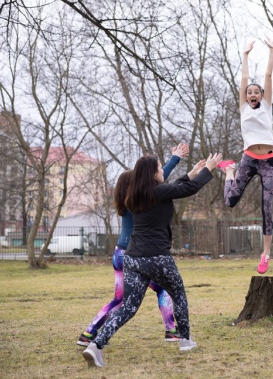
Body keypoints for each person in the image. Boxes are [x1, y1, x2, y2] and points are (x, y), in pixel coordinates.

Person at [83, 152, 223, 367]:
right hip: (157, 256)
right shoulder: (158, 192)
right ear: (152, 173)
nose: (161, 171)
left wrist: (193, 172)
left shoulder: (135, 195)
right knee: (178, 294)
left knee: (128, 307)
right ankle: (185, 340)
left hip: (132, 258)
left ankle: (96, 345)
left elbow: (172, 186)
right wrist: (208, 168)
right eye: (159, 168)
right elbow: (188, 189)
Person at [77, 144, 190, 347]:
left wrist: (175, 158)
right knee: (165, 290)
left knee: (120, 300)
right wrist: (175, 159)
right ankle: (172, 330)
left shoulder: (127, 201)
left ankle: (90, 332)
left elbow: (160, 176)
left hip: (119, 254)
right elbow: (160, 178)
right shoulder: (141, 200)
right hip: (137, 255)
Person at [218, 38, 273, 274]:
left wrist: (272, 51)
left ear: (262, 95)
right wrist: (244, 56)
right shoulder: (244, 107)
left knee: (267, 206)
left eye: (256, 92)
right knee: (230, 200)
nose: (252, 94)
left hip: (269, 162)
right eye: (249, 93)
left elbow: (269, 77)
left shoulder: (267, 106)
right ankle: (229, 172)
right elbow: (243, 80)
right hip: (248, 159)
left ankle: (266, 254)